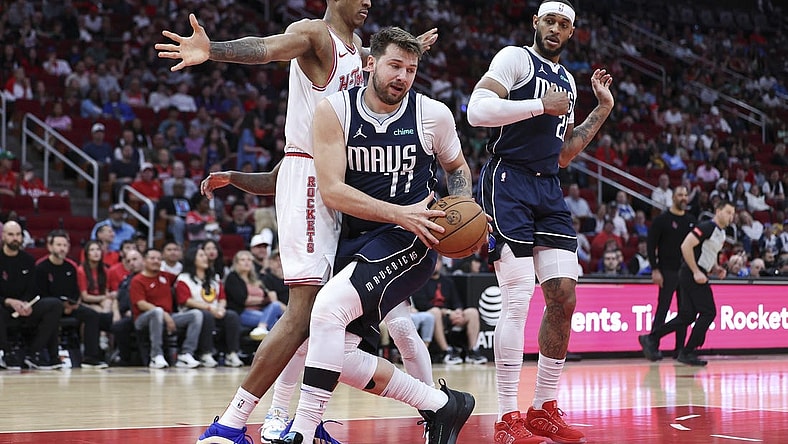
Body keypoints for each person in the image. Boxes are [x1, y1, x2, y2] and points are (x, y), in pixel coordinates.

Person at [160, 6, 440, 443]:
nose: (366, 1)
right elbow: (266, 49)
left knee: (325, 320)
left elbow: (374, 57)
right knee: (305, 311)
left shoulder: (360, 54)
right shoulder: (314, 35)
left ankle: (296, 423)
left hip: (332, 182)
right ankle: (232, 424)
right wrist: (211, 49)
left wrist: (407, 50)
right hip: (314, 183)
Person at [271, 26, 475, 444]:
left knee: (326, 311)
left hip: (413, 240)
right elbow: (332, 190)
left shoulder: (432, 114)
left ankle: (303, 431)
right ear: (370, 63)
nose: (403, 76)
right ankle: (440, 405)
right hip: (361, 237)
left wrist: (459, 209)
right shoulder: (334, 111)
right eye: (395, 65)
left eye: (412, 69)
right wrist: (399, 213)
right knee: (333, 348)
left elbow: (457, 169)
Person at [465, 1, 614, 443]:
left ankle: (543, 408)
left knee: (564, 296)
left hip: (547, 186)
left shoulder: (567, 79)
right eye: (549, 20)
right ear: (536, 23)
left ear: (571, 33)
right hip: (507, 179)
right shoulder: (515, 59)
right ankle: (506, 418)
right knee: (516, 298)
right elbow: (476, 110)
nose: (555, 28)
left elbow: (564, 153)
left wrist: (601, 109)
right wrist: (535, 105)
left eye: (564, 24)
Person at [639, 200, 736, 366]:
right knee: (709, 312)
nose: (731, 217)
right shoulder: (706, 227)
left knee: (687, 315)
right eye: (728, 212)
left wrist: (716, 268)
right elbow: (686, 246)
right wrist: (696, 271)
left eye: (733, 214)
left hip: (696, 272)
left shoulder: (720, 233)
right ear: (718, 211)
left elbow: (706, 254)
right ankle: (688, 351)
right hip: (691, 273)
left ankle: (651, 338)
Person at [35, 230, 109, 369]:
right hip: (49, 307)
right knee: (54, 309)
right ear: (50, 247)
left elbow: (75, 291)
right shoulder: (41, 267)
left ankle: (90, 357)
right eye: (58, 245)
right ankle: (51, 357)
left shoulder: (71, 266)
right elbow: (40, 294)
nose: (62, 248)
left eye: (65, 245)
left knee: (92, 315)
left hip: (70, 306)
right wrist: (62, 306)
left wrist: (73, 304)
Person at [0, 221, 63, 370]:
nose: (15, 238)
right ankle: (7, 353)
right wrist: (9, 301)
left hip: (25, 307)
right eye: (11, 234)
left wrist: (27, 303)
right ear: (3, 236)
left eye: (18, 234)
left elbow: (33, 289)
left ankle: (34, 353)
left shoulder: (28, 260)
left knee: (54, 304)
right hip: (4, 307)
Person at [130, 248, 203, 369]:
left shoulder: (166, 276)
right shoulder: (137, 280)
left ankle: (186, 354)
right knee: (157, 312)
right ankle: (156, 356)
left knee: (196, 314)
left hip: (167, 316)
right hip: (143, 319)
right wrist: (164, 314)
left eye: (159, 259)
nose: (156, 261)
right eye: (152, 258)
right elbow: (141, 304)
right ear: (144, 261)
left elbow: (184, 277)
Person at [646, 186, 696, 360]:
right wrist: (655, 269)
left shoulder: (691, 220)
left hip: (685, 272)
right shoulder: (662, 220)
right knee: (663, 309)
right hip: (667, 271)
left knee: (685, 312)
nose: (683, 197)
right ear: (673, 197)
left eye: (685, 194)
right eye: (680, 194)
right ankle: (652, 346)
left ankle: (680, 348)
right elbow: (651, 245)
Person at [175, 245, 244, 368]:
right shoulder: (183, 278)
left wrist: (221, 308)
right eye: (201, 255)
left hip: (214, 311)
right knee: (205, 315)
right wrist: (209, 308)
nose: (205, 258)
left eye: (205, 256)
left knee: (231, 315)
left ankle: (232, 353)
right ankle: (205, 353)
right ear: (192, 258)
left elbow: (222, 298)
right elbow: (185, 300)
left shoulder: (214, 278)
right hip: (193, 313)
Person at [411, 258, 488, 365]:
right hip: (433, 315)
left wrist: (458, 312)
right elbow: (423, 305)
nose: (435, 265)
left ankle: (472, 351)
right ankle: (446, 352)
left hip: (449, 315)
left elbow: (456, 301)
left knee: (472, 312)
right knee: (435, 312)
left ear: (441, 263)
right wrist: (447, 312)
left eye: (438, 262)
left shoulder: (447, 281)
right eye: (433, 261)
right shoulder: (421, 282)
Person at [224, 250, 285, 342]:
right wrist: (264, 300)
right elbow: (244, 300)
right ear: (236, 263)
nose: (247, 262)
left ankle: (262, 328)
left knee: (275, 305)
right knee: (276, 322)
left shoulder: (256, 279)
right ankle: (264, 332)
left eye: (249, 260)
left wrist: (267, 299)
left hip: (261, 311)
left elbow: (270, 297)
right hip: (243, 312)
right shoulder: (233, 277)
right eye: (243, 260)